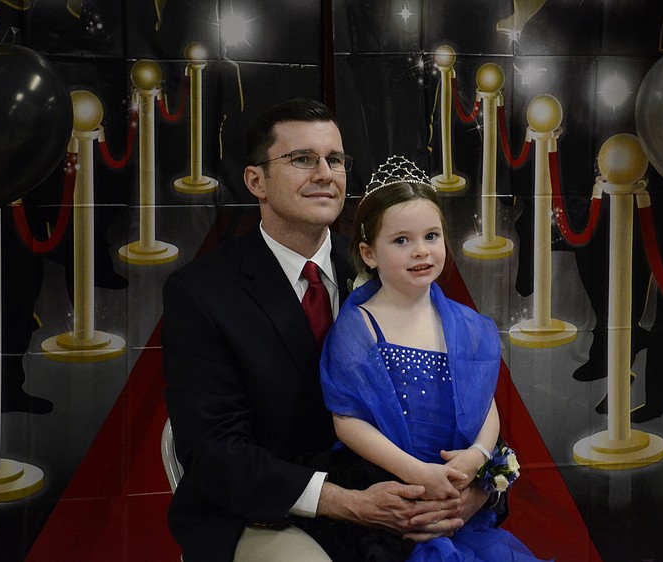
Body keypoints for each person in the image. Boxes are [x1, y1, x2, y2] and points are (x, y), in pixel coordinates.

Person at [161, 99, 493, 562]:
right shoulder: (201, 293)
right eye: (302, 159)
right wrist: (351, 504)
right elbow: (213, 453)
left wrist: (478, 486)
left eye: (334, 160)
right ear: (255, 180)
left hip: (402, 501)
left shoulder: (388, 266)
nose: (325, 173)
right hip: (267, 511)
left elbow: (457, 399)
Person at [318, 156, 547, 561]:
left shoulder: (466, 324)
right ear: (369, 253)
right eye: (401, 240)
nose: (421, 251)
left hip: (459, 489)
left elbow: (484, 402)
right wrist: (417, 471)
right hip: (394, 488)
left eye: (431, 236)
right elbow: (347, 419)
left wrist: (477, 456)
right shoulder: (360, 327)